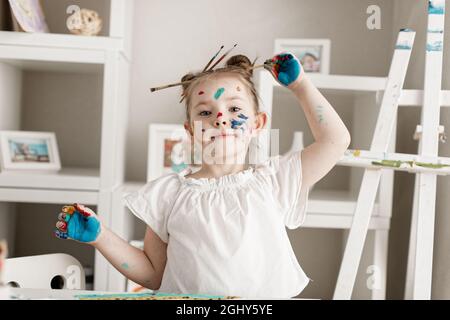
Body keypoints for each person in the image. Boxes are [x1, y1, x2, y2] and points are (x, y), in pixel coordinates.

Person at [54, 52, 351, 298]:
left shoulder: (274, 180)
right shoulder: (168, 195)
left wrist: (300, 85)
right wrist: (100, 237)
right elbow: (154, 275)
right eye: (205, 113)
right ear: (190, 130)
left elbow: (335, 141)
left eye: (234, 108)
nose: (221, 118)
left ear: (258, 123)